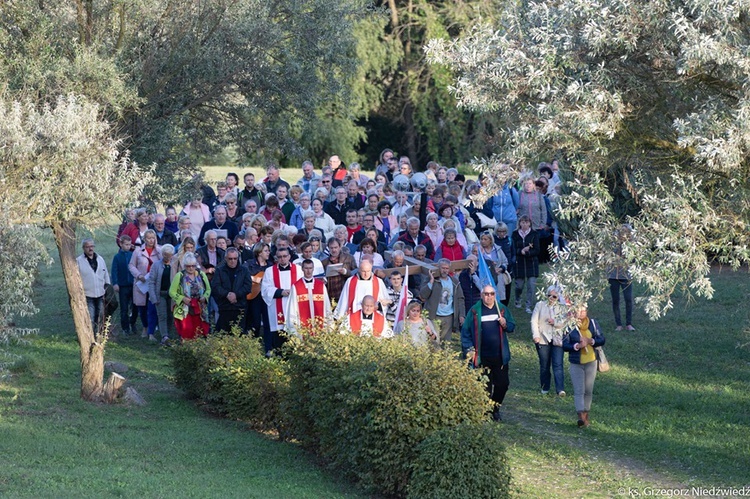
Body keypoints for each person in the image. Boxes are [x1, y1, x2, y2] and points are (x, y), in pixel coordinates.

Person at [461, 285, 516, 422]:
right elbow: (466, 332)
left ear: (495, 294)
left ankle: (495, 408)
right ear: (481, 295)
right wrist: (469, 349)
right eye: (486, 294)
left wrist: (505, 324)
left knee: (502, 385)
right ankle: (486, 411)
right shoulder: (475, 311)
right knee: (485, 386)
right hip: (482, 357)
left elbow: (512, 326)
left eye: (491, 294)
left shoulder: (501, 309)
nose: (489, 296)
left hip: (499, 356)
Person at [563, 306, 605, 427]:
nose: (581, 313)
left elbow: (602, 339)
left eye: (583, 310)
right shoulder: (569, 325)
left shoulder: (593, 323)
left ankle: (586, 414)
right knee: (579, 390)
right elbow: (565, 344)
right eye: (579, 311)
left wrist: (591, 341)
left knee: (588, 390)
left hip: (591, 361)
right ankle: (580, 415)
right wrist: (577, 346)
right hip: (576, 362)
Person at [260, 247, 301, 353]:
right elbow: (265, 289)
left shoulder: (299, 270)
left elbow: (303, 286)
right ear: (276, 258)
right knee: (279, 340)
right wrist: (280, 292)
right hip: (277, 306)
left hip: (294, 307)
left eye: (284, 256)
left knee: (294, 336)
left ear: (289, 257)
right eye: (279, 257)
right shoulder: (269, 271)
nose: (282, 259)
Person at [531, 286, 566, 396]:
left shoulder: (562, 307)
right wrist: (536, 335)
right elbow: (534, 321)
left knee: (558, 364)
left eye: (554, 296)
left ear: (558, 297)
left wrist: (554, 322)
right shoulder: (540, 305)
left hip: (557, 339)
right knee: (544, 365)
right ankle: (545, 387)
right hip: (543, 339)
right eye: (549, 295)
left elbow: (565, 322)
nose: (551, 298)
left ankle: (560, 389)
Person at [420, 259, 465, 341]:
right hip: (433, 316)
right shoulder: (431, 279)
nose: (445, 270)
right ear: (438, 268)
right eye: (443, 268)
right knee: (433, 341)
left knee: (446, 342)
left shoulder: (455, 282)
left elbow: (460, 299)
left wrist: (462, 315)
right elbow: (423, 295)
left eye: (447, 268)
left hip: (449, 317)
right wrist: (431, 282)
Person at [169, 252, 211, 340]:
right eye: (188, 266)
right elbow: (172, 291)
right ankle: (186, 348)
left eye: (193, 265)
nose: (191, 268)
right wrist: (182, 298)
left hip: (199, 307)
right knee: (187, 329)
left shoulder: (201, 274)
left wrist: (205, 297)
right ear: (184, 266)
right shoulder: (179, 276)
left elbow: (208, 289)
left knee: (199, 329)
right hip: (185, 307)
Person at [285, 259, 332, 336]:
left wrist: (329, 323)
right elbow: (292, 307)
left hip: (319, 323)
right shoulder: (296, 287)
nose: (308, 271)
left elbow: (327, 305)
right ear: (302, 269)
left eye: (310, 268)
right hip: (303, 326)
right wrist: (293, 325)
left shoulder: (321, 285)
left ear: (313, 269)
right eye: (306, 268)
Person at [129, 229, 161, 339]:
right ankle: (145, 326)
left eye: (153, 238)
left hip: (154, 282)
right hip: (141, 282)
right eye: (149, 238)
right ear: (144, 239)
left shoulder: (159, 251)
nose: (151, 240)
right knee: (141, 307)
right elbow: (131, 265)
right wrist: (138, 275)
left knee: (152, 307)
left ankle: (152, 329)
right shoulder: (138, 251)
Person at [211, 247, 252, 334]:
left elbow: (248, 286)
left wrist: (236, 295)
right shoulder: (219, 270)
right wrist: (227, 294)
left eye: (235, 258)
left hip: (240, 307)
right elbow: (215, 286)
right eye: (230, 259)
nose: (232, 261)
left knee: (239, 335)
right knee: (223, 334)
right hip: (224, 307)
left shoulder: (244, 270)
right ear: (225, 259)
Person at [77, 238, 111, 335]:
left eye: (92, 246)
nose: (90, 249)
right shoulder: (79, 261)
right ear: (83, 248)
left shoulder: (100, 259)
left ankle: (99, 335)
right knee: (90, 317)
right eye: (88, 247)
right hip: (88, 294)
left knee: (100, 315)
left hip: (100, 293)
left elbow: (106, 274)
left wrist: (108, 287)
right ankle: (90, 336)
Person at [147, 244, 176, 344]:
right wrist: (153, 297)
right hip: (160, 293)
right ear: (162, 254)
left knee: (170, 315)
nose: (168, 257)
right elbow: (151, 282)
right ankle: (165, 336)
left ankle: (169, 333)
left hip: (172, 295)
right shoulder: (156, 265)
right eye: (165, 255)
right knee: (162, 315)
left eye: (170, 255)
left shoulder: (175, 265)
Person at [243, 242, 273, 339]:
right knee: (255, 321)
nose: (268, 253)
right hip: (254, 296)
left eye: (268, 251)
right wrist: (257, 280)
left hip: (267, 297)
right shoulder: (249, 264)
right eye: (266, 251)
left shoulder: (271, 266)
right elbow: (243, 276)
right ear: (259, 252)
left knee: (268, 321)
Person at [609, 224, 636, 331]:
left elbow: (633, 259)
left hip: (626, 276)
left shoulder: (631, 244)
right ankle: (618, 324)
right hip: (613, 276)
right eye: (622, 232)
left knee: (628, 299)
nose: (623, 234)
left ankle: (629, 323)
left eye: (626, 232)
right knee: (615, 300)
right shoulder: (613, 244)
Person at [513, 215, 540, 314]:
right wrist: (521, 251)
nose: (524, 224)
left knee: (531, 286)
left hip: (531, 264)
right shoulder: (515, 234)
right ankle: (517, 299)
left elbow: (537, 249)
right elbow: (513, 248)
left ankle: (529, 305)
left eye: (527, 222)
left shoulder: (534, 234)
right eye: (522, 222)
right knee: (519, 285)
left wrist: (528, 252)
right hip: (519, 263)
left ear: (530, 223)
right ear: (519, 223)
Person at [111, 235, 136, 335]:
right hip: (123, 286)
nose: (128, 246)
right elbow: (114, 271)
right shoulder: (117, 257)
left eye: (129, 245)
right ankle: (125, 327)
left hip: (133, 285)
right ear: (121, 244)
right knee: (124, 307)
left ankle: (132, 322)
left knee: (135, 306)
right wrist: (115, 283)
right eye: (126, 244)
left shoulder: (132, 255)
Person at [321, 238, 356, 303]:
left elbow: (355, 273)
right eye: (331, 248)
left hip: (344, 292)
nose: (334, 250)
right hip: (330, 293)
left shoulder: (349, 258)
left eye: (335, 247)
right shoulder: (324, 262)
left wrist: (345, 272)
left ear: (340, 247)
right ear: (328, 248)